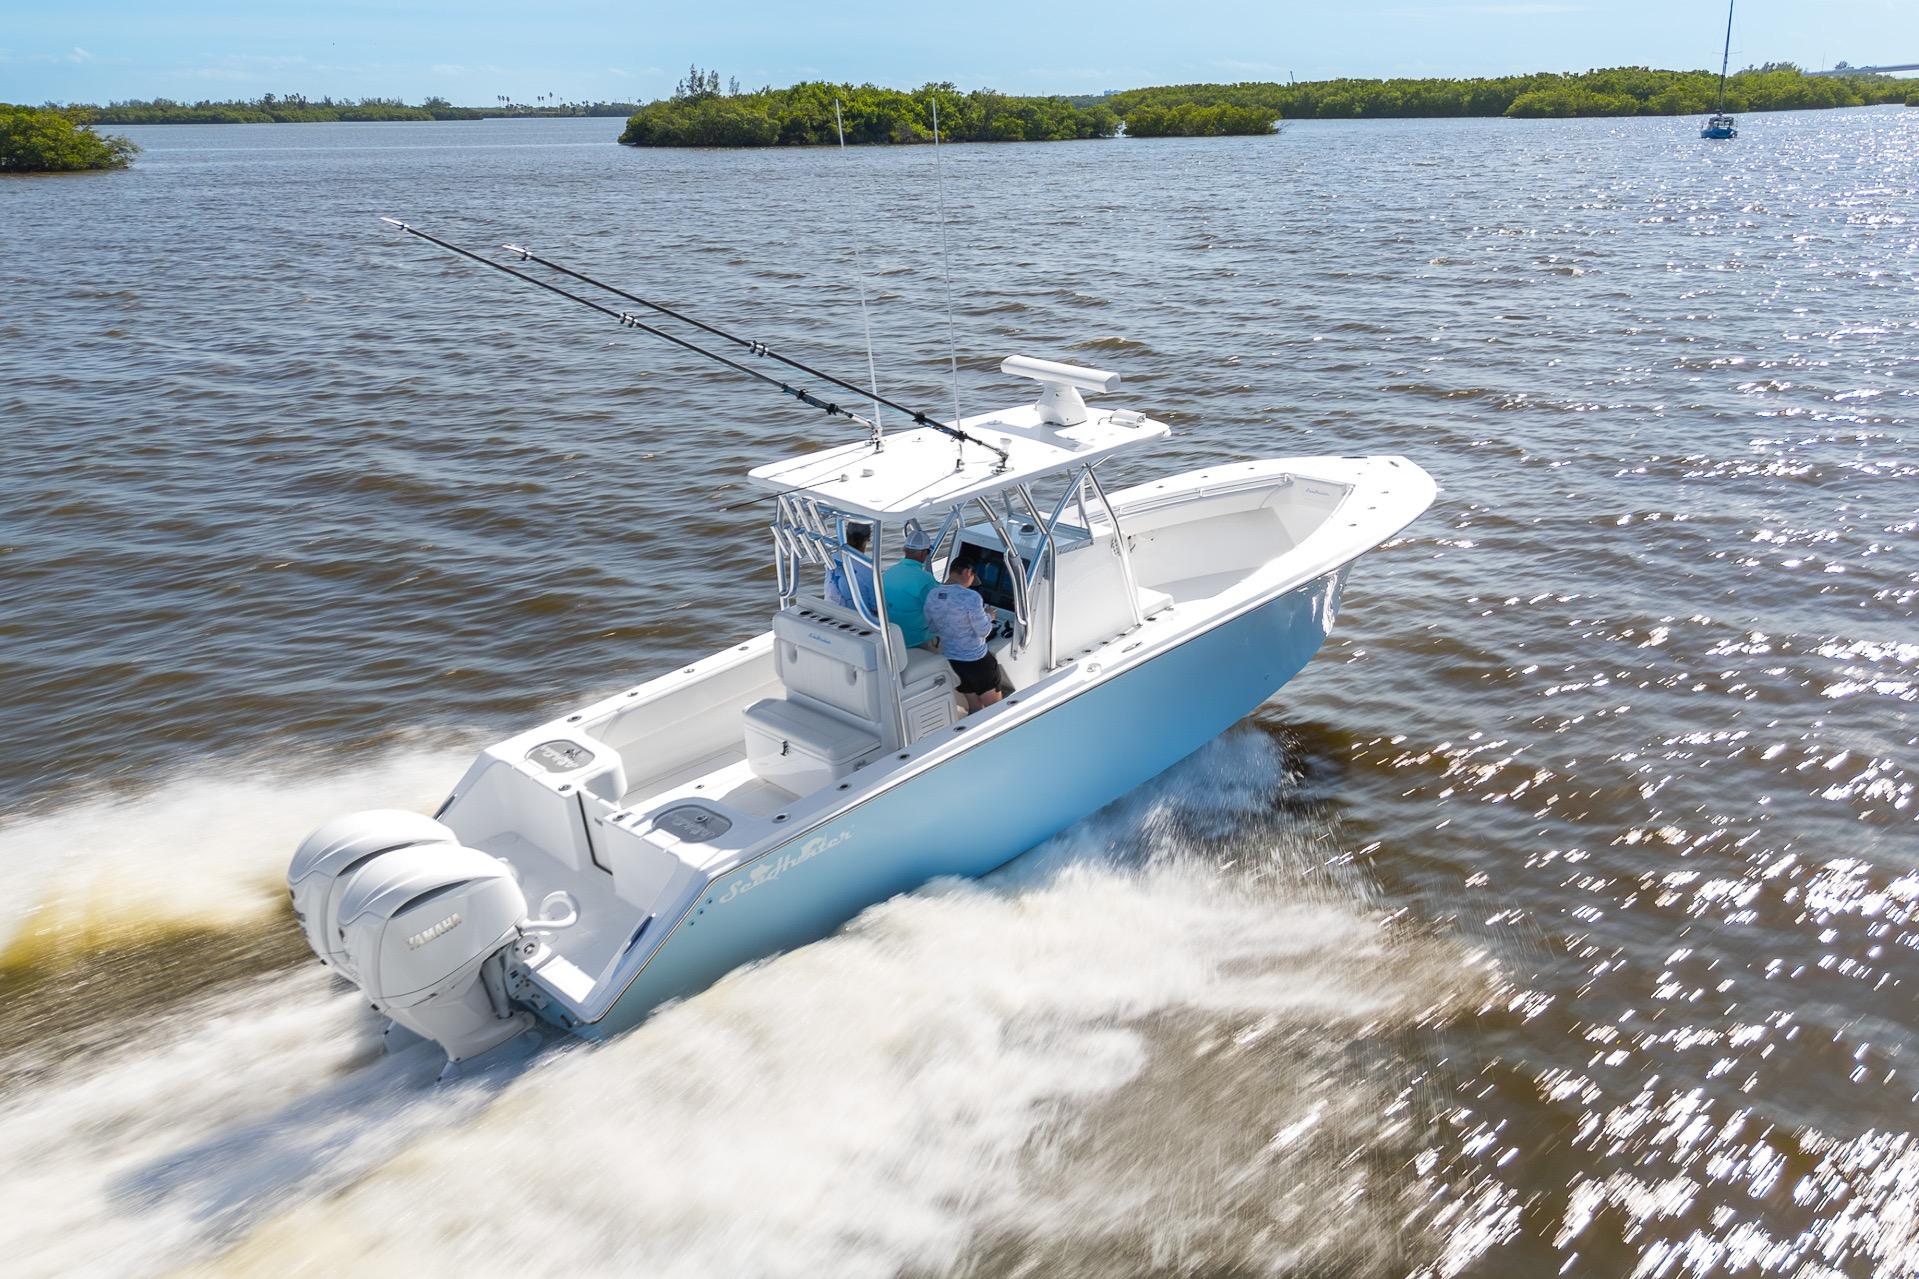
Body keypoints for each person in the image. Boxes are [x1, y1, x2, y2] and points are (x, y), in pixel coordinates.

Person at [923, 560, 1006, 712]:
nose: (972, 582)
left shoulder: (932, 595)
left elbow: (933, 627)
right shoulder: (971, 596)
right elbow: (984, 631)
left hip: (954, 662)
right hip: (978, 662)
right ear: (968, 572)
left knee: (975, 707)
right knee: (996, 709)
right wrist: (989, 616)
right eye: (973, 577)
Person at [881, 519, 938, 648]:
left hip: (892, 637)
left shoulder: (888, 573)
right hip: (916, 640)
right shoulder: (925, 579)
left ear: (905, 550)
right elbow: (939, 608)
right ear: (923, 553)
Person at [825, 523, 877, 616]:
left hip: (831, 612)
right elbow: (875, 605)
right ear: (868, 538)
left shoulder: (832, 559)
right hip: (858, 618)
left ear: (846, 535)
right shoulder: (869, 568)